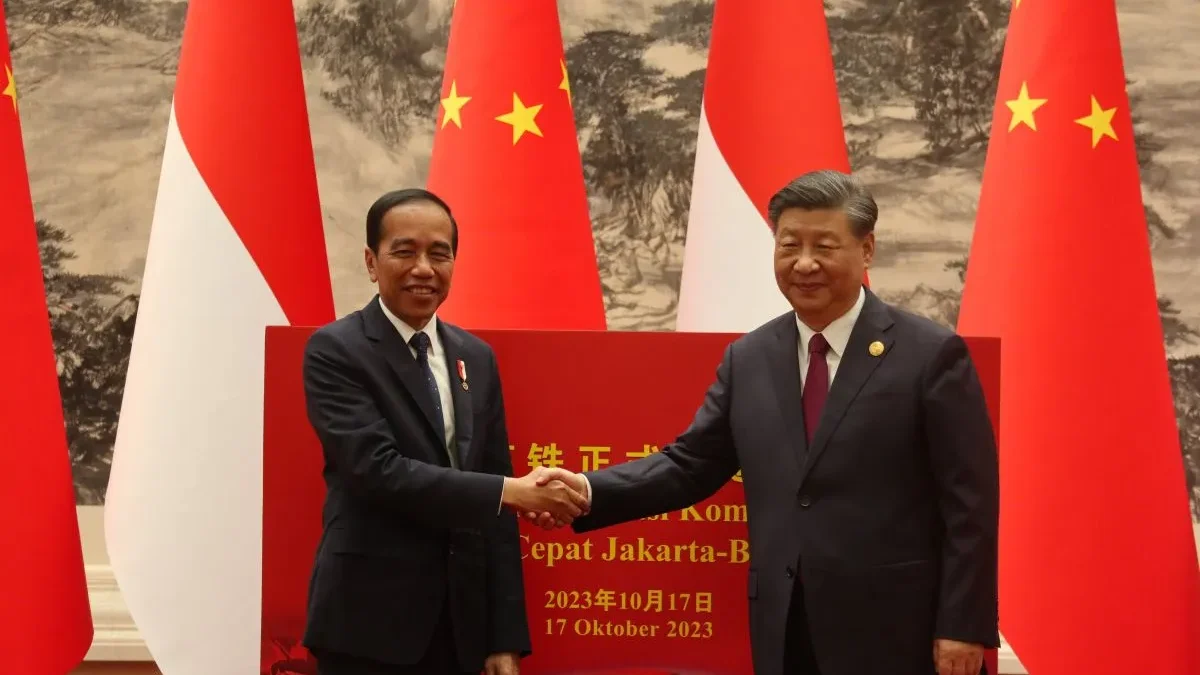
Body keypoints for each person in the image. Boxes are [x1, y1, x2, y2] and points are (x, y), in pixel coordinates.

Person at [532, 170, 1000, 675]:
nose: (803, 263)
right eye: (788, 245)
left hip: (898, 629)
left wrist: (962, 624)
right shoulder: (749, 358)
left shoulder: (929, 355)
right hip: (784, 624)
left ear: (867, 250)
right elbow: (690, 466)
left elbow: (970, 503)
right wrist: (585, 489)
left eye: (824, 246)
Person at [300, 189, 588, 675]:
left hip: (461, 629)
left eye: (439, 253)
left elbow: (496, 503)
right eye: (404, 251)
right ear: (371, 262)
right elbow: (377, 470)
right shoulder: (336, 350)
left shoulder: (474, 357)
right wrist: (510, 493)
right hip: (367, 625)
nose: (423, 268)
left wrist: (503, 637)